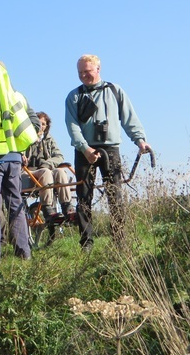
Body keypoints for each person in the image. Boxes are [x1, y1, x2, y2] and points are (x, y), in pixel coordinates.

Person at [65, 54, 152, 251]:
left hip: (111, 148)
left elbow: (129, 118)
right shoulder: (73, 96)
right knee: (83, 197)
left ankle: (119, 241)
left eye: (87, 71)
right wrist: (85, 149)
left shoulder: (115, 90)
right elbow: (72, 127)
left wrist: (140, 141)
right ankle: (86, 243)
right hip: (84, 150)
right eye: (80, 73)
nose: (84, 76)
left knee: (116, 196)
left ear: (98, 69)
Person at [0, 63, 39, 264]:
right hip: (14, 156)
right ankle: (24, 252)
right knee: (15, 202)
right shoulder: (16, 96)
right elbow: (33, 123)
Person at [22, 111, 73, 220]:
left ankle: (67, 207)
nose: (41, 126)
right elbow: (20, 155)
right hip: (28, 172)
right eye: (38, 123)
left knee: (60, 171)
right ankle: (48, 209)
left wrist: (47, 164)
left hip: (46, 170)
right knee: (46, 172)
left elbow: (59, 156)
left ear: (47, 126)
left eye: (43, 124)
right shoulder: (25, 138)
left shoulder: (49, 140)